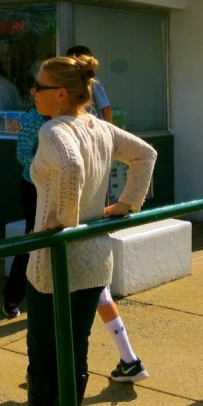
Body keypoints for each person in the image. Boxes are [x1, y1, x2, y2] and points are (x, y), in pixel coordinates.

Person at [25, 54, 157, 406]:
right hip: (95, 259)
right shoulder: (101, 127)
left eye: (39, 87)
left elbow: (70, 166)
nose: (33, 92)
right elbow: (146, 155)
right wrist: (127, 204)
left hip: (54, 264)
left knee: (43, 353)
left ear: (62, 94)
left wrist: (64, 222)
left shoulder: (53, 130)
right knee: (75, 347)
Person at [65, 45, 148, 382]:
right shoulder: (85, 126)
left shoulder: (67, 129)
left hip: (78, 228)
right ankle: (128, 359)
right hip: (93, 221)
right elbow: (145, 155)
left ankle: (69, 371)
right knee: (97, 291)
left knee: (83, 296)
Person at [1, 105, 46, 318]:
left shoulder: (68, 116)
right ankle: (13, 295)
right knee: (32, 238)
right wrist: (48, 168)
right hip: (34, 186)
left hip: (61, 187)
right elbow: (22, 153)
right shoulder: (32, 118)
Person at [65, 44, 112, 124]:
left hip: (92, 127)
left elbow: (105, 107)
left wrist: (110, 130)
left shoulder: (93, 82)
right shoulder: (69, 81)